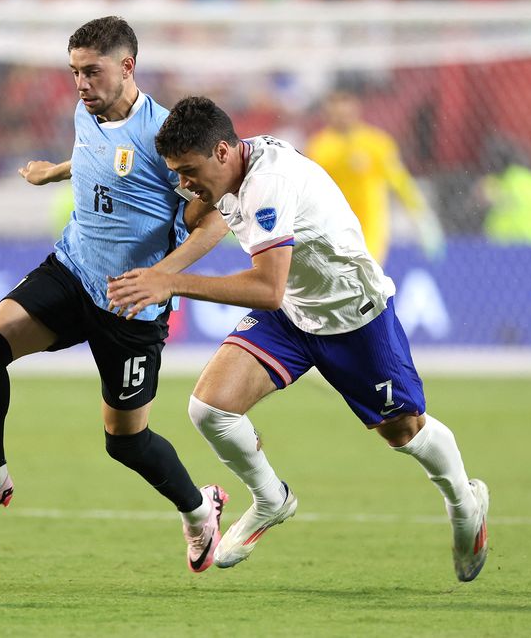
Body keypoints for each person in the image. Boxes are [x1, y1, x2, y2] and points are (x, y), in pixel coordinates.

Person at [107, 96, 490, 582]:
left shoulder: (267, 184)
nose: (185, 185)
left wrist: (170, 281)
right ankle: (271, 498)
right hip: (294, 311)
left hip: (351, 313)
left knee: (403, 432)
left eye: (189, 171)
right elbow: (232, 246)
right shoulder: (231, 168)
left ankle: (464, 503)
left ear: (223, 151)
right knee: (211, 408)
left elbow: (265, 289)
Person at [0, 18, 231, 574]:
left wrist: (163, 275)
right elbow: (100, 159)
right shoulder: (84, 111)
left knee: (126, 444)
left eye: (92, 71)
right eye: (74, 72)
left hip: (130, 304)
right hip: (73, 269)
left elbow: (214, 222)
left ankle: (198, 510)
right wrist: (57, 172)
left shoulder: (165, 137)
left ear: (128, 67)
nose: (81, 83)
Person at [306, 89, 443, 265]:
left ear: (356, 111)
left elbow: (401, 184)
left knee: (365, 273)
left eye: (346, 112)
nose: (342, 118)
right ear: (328, 114)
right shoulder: (319, 147)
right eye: (337, 113)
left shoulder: (376, 143)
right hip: (333, 227)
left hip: (371, 226)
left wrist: (423, 219)